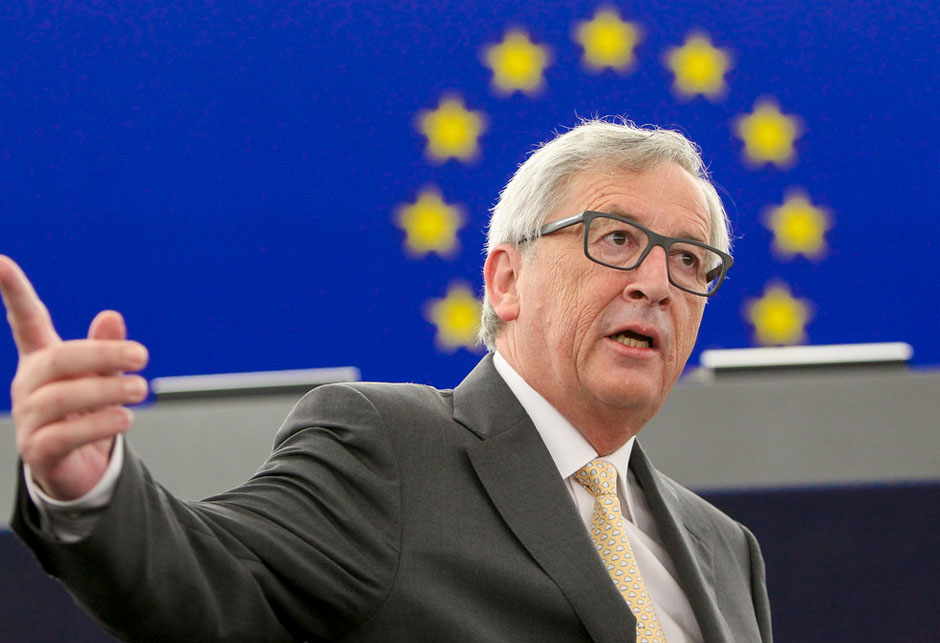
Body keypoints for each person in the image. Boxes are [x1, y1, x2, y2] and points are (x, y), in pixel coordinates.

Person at [1, 120, 772, 642]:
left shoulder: (724, 547)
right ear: (506, 281)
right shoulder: (392, 451)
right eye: (617, 238)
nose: (655, 283)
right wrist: (91, 486)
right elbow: (211, 575)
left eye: (689, 260)